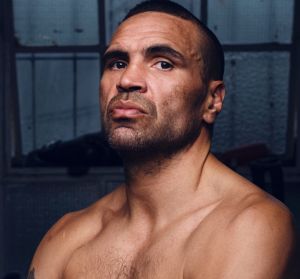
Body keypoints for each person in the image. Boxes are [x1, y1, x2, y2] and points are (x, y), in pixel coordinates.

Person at [28, 1, 295, 278]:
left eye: (163, 64)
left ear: (212, 100)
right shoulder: (67, 237)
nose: (127, 79)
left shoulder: (251, 224)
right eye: (117, 63)